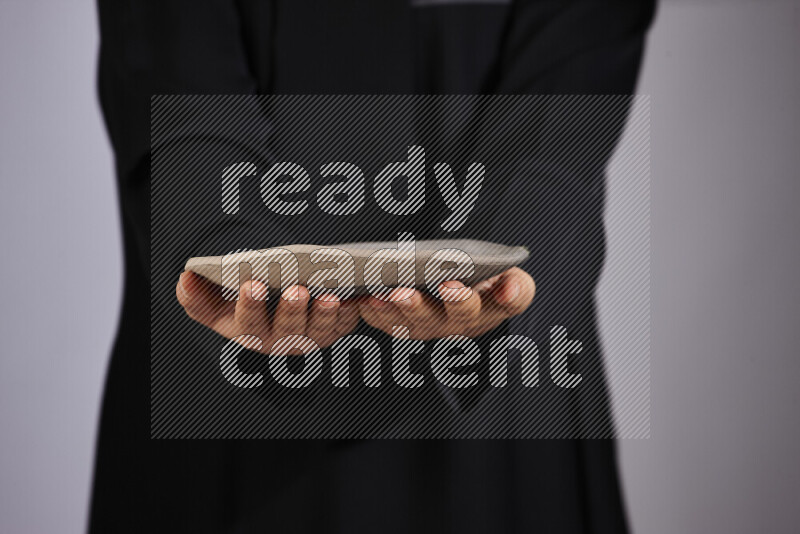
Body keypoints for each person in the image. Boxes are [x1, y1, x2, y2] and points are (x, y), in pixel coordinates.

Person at [90, 1, 655, 532]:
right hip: (224, 396)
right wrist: (234, 257)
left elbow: (567, 110)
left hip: (505, 391)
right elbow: (171, 73)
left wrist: (509, 267)